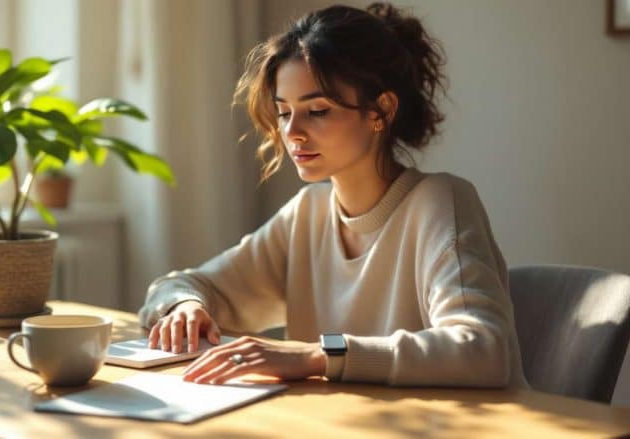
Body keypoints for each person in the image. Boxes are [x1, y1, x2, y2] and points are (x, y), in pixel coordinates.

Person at [139, 2, 528, 388]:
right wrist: (185, 307)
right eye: (284, 111)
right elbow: (180, 286)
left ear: (381, 110)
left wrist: (315, 356)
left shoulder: (439, 202)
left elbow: (482, 350)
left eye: (318, 110)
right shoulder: (308, 214)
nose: (292, 133)